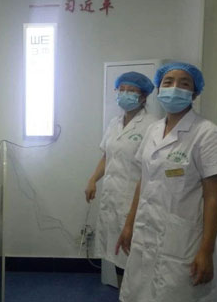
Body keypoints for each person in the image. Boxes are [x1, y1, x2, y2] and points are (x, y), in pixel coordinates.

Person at [116, 62, 217, 302]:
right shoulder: (153, 130)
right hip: (145, 232)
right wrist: (128, 225)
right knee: (137, 293)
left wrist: (206, 250)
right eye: (168, 82)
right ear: (159, 89)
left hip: (181, 241)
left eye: (184, 83)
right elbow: (143, 181)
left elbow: (213, 198)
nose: (174, 88)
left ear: (195, 93)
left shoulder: (207, 133)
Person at [85, 71, 157, 287]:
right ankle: (122, 294)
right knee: (116, 252)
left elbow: (150, 168)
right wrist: (92, 179)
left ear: (143, 96)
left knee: (133, 254)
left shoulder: (152, 125)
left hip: (135, 200)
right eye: (122, 89)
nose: (125, 94)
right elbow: (107, 156)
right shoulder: (114, 123)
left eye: (131, 90)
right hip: (112, 197)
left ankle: (133, 294)